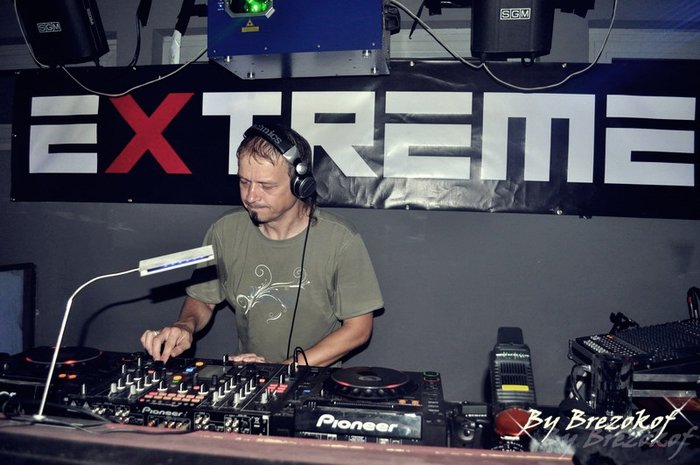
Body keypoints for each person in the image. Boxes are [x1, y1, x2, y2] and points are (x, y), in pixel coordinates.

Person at [140, 122, 383, 367]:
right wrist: (185, 325)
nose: (251, 196)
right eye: (244, 182)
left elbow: (358, 329)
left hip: (309, 378)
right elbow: (203, 299)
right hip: (250, 371)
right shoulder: (225, 231)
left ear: (300, 184)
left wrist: (280, 372)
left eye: (267, 186)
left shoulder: (340, 240)